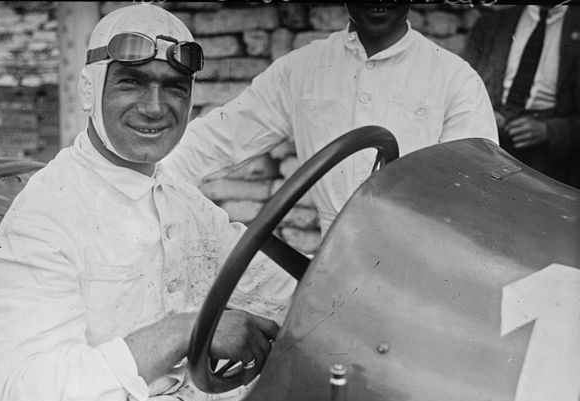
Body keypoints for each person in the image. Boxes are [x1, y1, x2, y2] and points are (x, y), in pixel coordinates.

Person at [0, 4, 295, 401]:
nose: (155, 107)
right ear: (89, 90)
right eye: (132, 82)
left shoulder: (183, 201)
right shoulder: (48, 216)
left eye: (174, 87)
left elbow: (283, 295)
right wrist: (184, 331)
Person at [162, 4, 499, 237]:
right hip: (329, 269)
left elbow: (476, 193)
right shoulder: (302, 69)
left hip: (421, 267)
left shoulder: (454, 77)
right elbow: (216, 140)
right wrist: (136, 182)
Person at [463, 4, 579, 187]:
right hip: (491, 144)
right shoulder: (491, 24)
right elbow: (464, 87)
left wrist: (550, 131)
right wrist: (485, 112)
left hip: (551, 160)